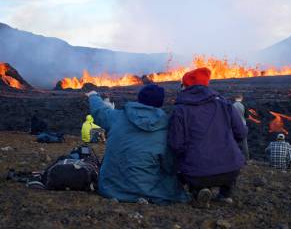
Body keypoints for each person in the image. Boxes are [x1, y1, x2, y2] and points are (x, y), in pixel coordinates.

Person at [86, 84, 189, 204]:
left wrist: (93, 96)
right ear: (160, 103)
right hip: (146, 191)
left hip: (110, 188)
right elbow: (169, 166)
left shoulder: (117, 116)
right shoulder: (166, 128)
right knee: (171, 180)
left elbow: (100, 111)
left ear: (139, 98)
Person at [168, 67, 247, 207]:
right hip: (231, 169)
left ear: (185, 86)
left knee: (187, 160)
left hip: (197, 172)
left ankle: (199, 191)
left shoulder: (180, 110)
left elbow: (176, 145)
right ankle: (225, 194)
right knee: (226, 159)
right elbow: (241, 133)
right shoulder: (225, 104)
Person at [233, 94, 249, 160]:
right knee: (244, 142)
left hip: (234, 126)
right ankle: (246, 158)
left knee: (233, 142)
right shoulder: (244, 105)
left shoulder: (232, 106)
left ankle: (234, 157)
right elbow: (247, 116)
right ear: (241, 98)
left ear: (235, 98)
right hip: (243, 125)